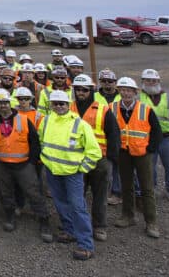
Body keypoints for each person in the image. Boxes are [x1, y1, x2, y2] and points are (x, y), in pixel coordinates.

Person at [38, 89, 102, 260]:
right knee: (61, 203)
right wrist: (46, 161)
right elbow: (41, 141)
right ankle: (70, 230)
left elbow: (94, 152)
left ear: (68, 105)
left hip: (73, 174)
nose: (59, 107)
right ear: (51, 105)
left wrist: (82, 168)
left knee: (77, 207)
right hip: (53, 171)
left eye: (62, 104)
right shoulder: (46, 121)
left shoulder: (80, 124)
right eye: (55, 104)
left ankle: (86, 245)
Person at [0, 90, 53, 242]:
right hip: (1, 164)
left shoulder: (23, 119)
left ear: (10, 103)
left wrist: (32, 162)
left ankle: (44, 220)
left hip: (23, 164)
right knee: (5, 192)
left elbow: (34, 142)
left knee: (34, 192)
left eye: (5, 103)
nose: (3, 106)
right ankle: (10, 216)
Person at [70, 74, 121, 242]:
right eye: (78, 89)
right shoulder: (69, 108)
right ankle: (77, 224)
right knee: (78, 195)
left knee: (100, 195)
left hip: (100, 159)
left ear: (91, 91)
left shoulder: (102, 109)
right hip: (77, 159)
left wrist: (112, 158)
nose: (81, 93)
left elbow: (113, 133)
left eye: (84, 90)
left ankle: (99, 226)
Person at [113, 77, 162, 239]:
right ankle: (128, 216)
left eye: (129, 90)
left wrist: (150, 149)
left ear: (135, 92)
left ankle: (151, 222)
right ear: (119, 91)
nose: (125, 93)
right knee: (126, 186)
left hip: (142, 154)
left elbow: (156, 131)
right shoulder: (111, 108)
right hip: (123, 153)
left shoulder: (145, 109)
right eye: (123, 90)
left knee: (147, 188)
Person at [138, 69, 169, 206]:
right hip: (147, 139)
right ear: (143, 82)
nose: (151, 83)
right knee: (149, 167)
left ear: (158, 82)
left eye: (154, 80)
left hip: (167, 139)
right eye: (148, 80)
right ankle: (150, 191)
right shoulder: (138, 98)